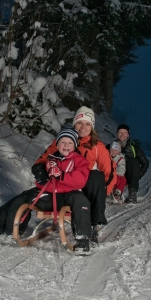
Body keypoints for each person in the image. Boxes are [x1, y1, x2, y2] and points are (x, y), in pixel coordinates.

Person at [0, 128, 93, 254]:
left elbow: (80, 180)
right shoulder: (50, 160)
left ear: (74, 146)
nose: (66, 146)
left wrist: (61, 175)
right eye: (62, 142)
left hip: (69, 195)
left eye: (70, 143)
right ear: (57, 144)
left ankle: (83, 239)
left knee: (81, 200)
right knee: (23, 198)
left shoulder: (80, 160)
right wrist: (42, 176)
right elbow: (41, 179)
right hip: (48, 194)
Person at [33, 106, 116, 247]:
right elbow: (44, 159)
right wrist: (39, 168)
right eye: (80, 122)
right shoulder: (63, 141)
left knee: (96, 175)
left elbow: (109, 173)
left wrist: (101, 194)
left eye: (88, 124)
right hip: (65, 186)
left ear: (92, 127)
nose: (83, 127)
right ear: (74, 124)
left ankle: (93, 224)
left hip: (86, 189)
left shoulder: (97, 147)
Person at [111, 124, 149, 204]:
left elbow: (145, 163)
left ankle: (132, 194)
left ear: (128, 134)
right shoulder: (110, 147)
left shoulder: (134, 148)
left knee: (134, 162)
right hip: (113, 174)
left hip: (128, 176)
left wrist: (137, 175)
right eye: (120, 132)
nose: (122, 134)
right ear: (117, 133)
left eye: (125, 132)